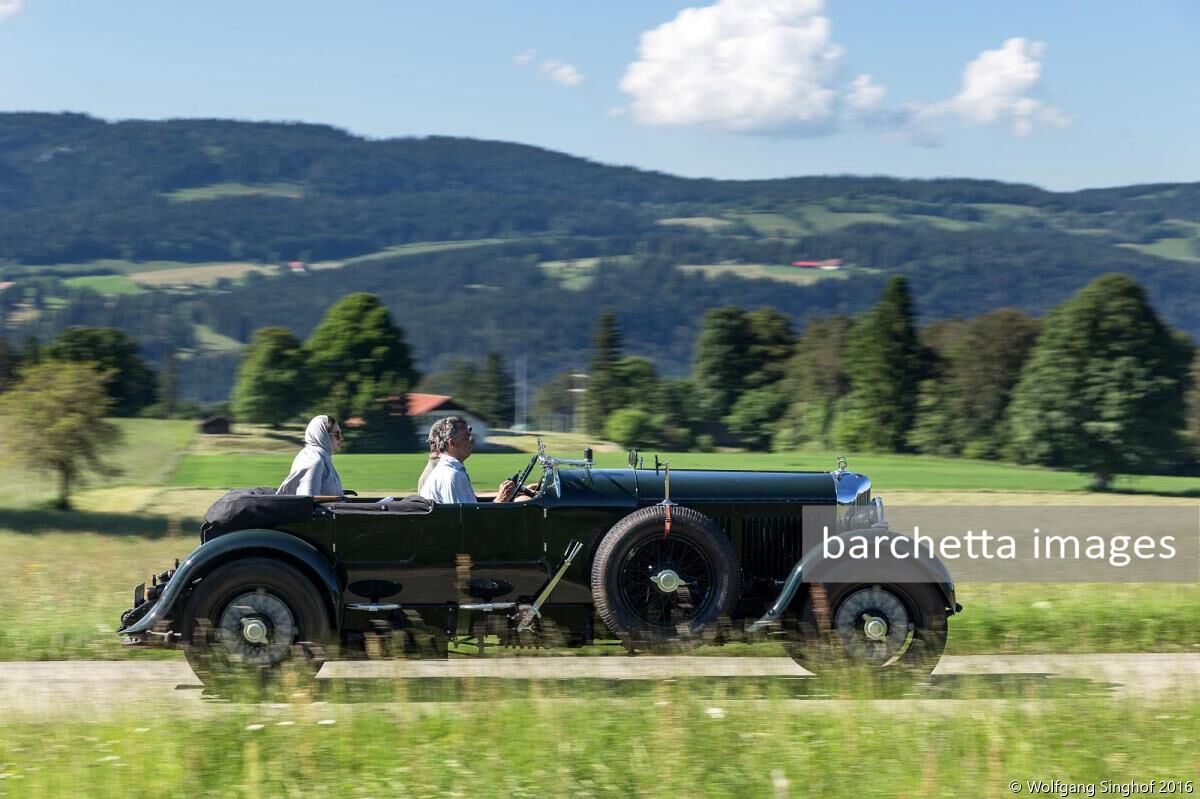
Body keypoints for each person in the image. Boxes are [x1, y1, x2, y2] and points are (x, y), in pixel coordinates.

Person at [419, 416, 523, 503]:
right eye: (466, 438)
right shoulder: (452, 475)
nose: (472, 441)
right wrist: (500, 500)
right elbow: (466, 522)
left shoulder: (450, 471)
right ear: (452, 443)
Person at [277, 415, 344, 497]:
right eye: (337, 434)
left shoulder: (322, 456)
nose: (341, 438)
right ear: (322, 435)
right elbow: (308, 499)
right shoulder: (314, 460)